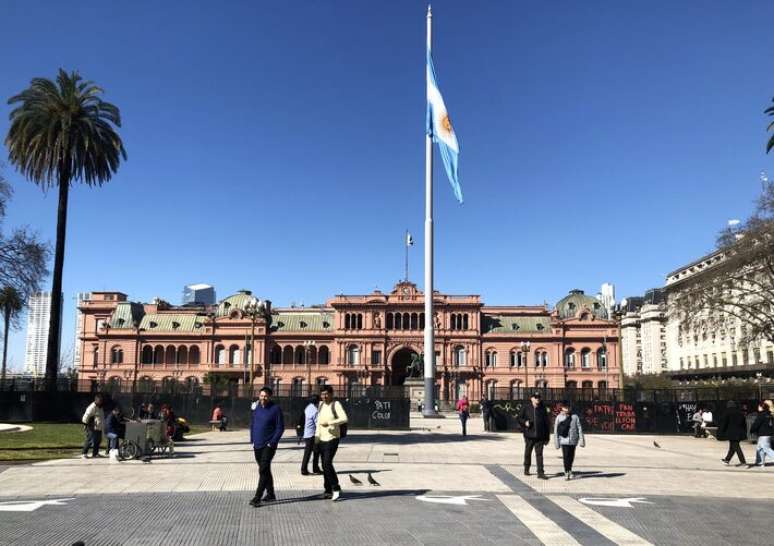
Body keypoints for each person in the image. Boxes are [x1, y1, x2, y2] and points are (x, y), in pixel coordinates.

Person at [249, 387, 284, 507]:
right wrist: (252, 439)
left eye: (265, 396)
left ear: (270, 397)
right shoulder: (257, 407)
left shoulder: (275, 409)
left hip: (268, 445)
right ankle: (271, 494)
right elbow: (253, 423)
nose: (263, 398)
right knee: (265, 469)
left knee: (263, 469)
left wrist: (272, 442)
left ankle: (257, 497)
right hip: (257, 444)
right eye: (261, 396)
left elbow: (280, 428)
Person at [315, 385, 348, 501]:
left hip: (333, 438)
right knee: (324, 465)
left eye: (326, 394)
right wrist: (316, 437)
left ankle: (336, 487)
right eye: (322, 394)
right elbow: (318, 422)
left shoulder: (336, 404)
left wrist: (330, 422)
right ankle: (327, 490)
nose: (324, 396)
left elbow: (344, 418)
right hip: (321, 439)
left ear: (331, 394)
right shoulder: (320, 405)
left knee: (327, 463)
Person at [517, 392, 550, 479]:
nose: (537, 399)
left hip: (540, 435)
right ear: (532, 398)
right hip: (529, 435)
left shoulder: (543, 408)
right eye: (535, 397)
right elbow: (519, 418)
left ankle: (540, 472)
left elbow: (547, 423)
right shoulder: (526, 407)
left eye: (538, 397)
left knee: (539, 454)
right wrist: (525, 422)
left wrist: (547, 437)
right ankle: (526, 468)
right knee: (528, 452)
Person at [553, 401, 585, 480]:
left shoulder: (575, 417)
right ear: (562, 408)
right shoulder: (559, 417)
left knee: (571, 456)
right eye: (565, 407)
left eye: (568, 407)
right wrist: (556, 442)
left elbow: (579, 428)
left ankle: (569, 469)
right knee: (566, 456)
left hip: (573, 440)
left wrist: (581, 440)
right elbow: (556, 430)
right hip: (564, 440)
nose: (566, 409)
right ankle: (566, 471)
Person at [718, 400, 747, 466]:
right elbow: (744, 423)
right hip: (740, 432)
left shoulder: (727, 412)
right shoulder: (740, 412)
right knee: (732, 447)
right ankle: (727, 459)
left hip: (731, 433)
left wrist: (721, 431)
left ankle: (743, 462)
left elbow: (724, 423)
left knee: (736, 447)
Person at [300, 394, 322, 475]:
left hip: (307, 433)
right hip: (312, 434)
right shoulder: (315, 411)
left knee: (311, 452)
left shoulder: (308, 407)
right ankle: (305, 469)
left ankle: (312, 468)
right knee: (313, 452)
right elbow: (317, 423)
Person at [750, 400, 774, 468]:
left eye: (759, 406)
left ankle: (760, 462)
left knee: (766, 448)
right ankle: (760, 462)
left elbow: (756, 424)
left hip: (763, 434)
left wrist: (752, 430)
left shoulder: (761, 415)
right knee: (760, 448)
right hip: (769, 434)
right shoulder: (769, 415)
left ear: (761, 407)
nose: (758, 407)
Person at [81, 394, 105, 459]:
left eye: (101, 400)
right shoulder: (92, 407)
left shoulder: (100, 407)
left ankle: (95, 454)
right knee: (90, 440)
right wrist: (85, 425)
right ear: (96, 400)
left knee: (98, 440)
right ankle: (84, 453)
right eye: (99, 400)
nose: (101, 401)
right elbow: (86, 416)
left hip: (99, 427)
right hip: (91, 427)